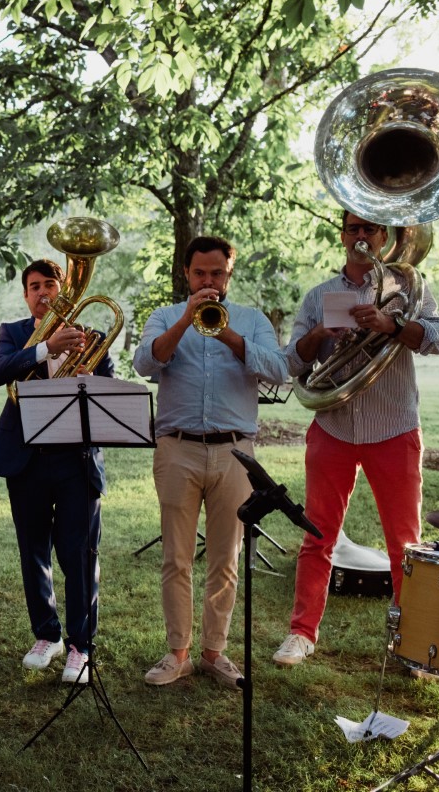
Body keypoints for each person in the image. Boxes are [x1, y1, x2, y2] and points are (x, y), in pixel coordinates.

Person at [272, 211, 439, 667]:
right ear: (343, 236)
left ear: (383, 235)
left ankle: (410, 643)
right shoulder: (318, 296)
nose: (360, 237)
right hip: (333, 426)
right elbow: (293, 363)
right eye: (353, 229)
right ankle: (301, 633)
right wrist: (320, 333)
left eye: (369, 228)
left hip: (393, 428)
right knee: (318, 536)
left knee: (405, 544)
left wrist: (390, 326)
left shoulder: (408, 287)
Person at [133, 235, 286, 689]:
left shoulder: (252, 320)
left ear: (229, 273)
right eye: (200, 273)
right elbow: (145, 362)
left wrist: (228, 335)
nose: (208, 281)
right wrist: (186, 320)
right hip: (177, 447)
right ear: (187, 274)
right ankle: (177, 653)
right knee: (176, 557)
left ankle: (214, 652)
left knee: (226, 558)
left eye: (216, 273)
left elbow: (278, 370)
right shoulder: (164, 316)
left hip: (235, 451)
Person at [0, 259, 114, 684]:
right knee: (33, 549)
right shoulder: (15, 333)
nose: (42, 292)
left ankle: (80, 645)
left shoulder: (91, 335)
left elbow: (109, 393)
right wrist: (46, 349)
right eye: (34, 286)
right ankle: (47, 634)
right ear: (25, 295)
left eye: (50, 285)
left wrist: (91, 372)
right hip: (28, 458)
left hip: (76, 460)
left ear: (64, 290)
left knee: (78, 554)